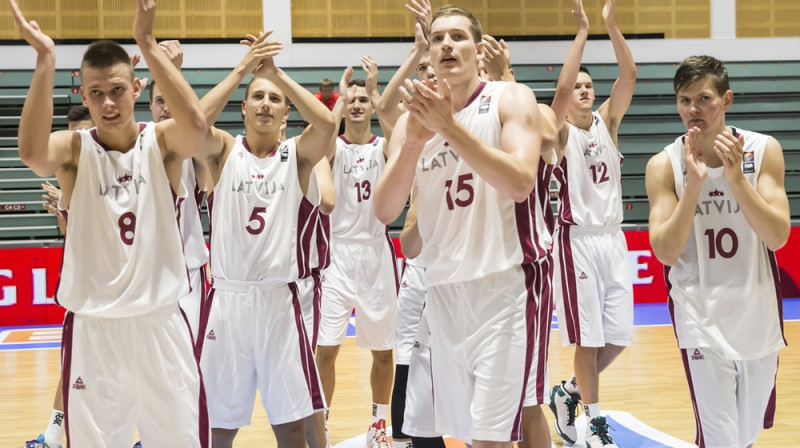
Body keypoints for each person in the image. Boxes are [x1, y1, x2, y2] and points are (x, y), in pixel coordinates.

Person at [11, 0, 210, 446]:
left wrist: (146, 42)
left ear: (137, 87)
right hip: (95, 327)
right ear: (82, 96)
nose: (107, 102)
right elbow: (31, 153)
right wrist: (45, 61)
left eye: (117, 90)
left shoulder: (161, 142)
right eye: (96, 92)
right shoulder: (75, 151)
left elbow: (196, 128)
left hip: (160, 322)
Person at [374, 5, 544, 448]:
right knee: (470, 436)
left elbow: (521, 182)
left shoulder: (511, 98)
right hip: (444, 291)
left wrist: (448, 128)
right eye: (437, 38)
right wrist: (413, 141)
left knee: (494, 438)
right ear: (427, 52)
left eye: (458, 37)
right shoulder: (413, 124)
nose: (447, 45)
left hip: (506, 286)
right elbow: (385, 210)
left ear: (477, 48)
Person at [190, 30, 335, 448]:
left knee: (290, 426)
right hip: (228, 302)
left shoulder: (298, 155)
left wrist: (276, 73)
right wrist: (243, 70)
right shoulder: (222, 151)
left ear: (287, 112)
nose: (266, 104)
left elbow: (327, 123)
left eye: (275, 100)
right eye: (258, 97)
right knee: (218, 425)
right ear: (244, 108)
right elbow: (195, 122)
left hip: (279, 303)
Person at [645, 55, 789, 448]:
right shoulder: (663, 165)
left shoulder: (763, 150)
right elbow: (665, 252)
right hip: (699, 315)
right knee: (721, 439)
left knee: (745, 436)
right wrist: (693, 185)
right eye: (684, 100)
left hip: (756, 312)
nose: (693, 110)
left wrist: (736, 180)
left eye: (704, 99)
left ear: (726, 101)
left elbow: (777, 237)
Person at [547, 1, 636, 446]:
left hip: (613, 239)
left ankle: (567, 393)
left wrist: (610, 26)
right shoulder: (561, 131)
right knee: (588, 340)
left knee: (617, 339)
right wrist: (582, 34)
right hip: (576, 240)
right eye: (577, 85)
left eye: (588, 85)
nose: (582, 90)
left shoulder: (608, 122)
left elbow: (629, 77)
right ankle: (595, 425)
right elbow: (561, 92)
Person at [314, 59, 398, 448]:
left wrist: (376, 89)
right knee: (326, 349)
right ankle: (322, 422)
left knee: (383, 351)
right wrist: (340, 95)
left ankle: (380, 425)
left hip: (376, 253)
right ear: (344, 106)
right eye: (353, 100)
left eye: (364, 99)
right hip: (337, 256)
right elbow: (323, 136)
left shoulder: (385, 146)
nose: (358, 104)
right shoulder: (333, 148)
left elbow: (402, 139)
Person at [26, 106, 95, 448]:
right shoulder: (70, 174)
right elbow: (71, 234)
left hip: (120, 291)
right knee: (72, 364)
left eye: (81, 132)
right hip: (84, 289)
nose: (75, 140)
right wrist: (65, 211)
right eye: (71, 133)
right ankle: (54, 435)